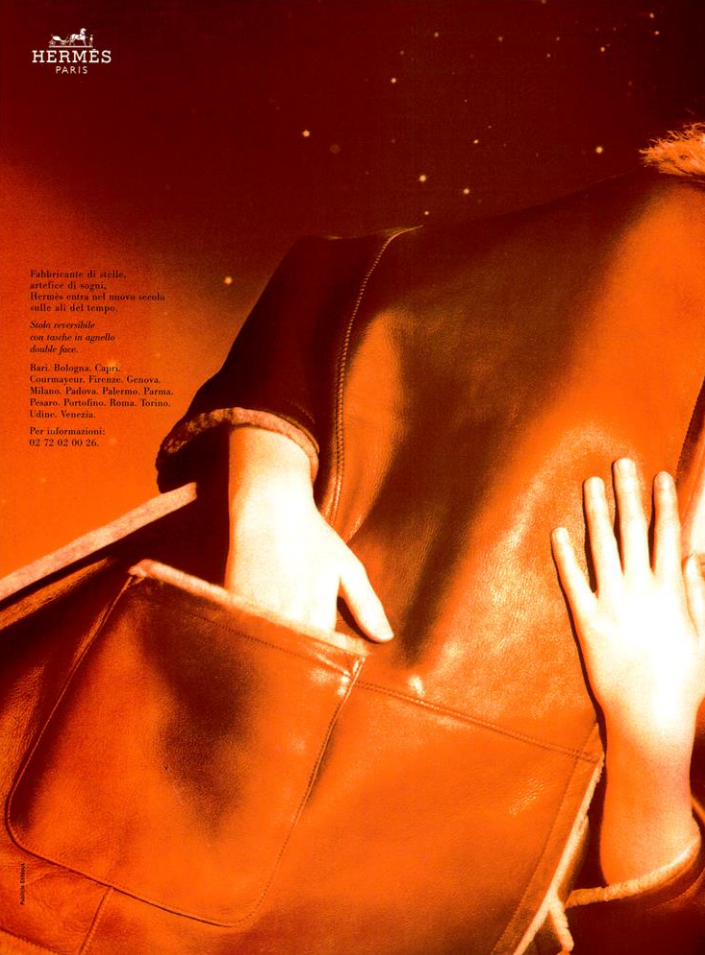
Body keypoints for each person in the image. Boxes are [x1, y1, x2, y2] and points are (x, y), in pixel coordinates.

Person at [0, 127, 703, 955]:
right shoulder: (666, 238)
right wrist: (271, 497)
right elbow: (351, 286)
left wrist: (650, 737)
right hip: (218, 774)